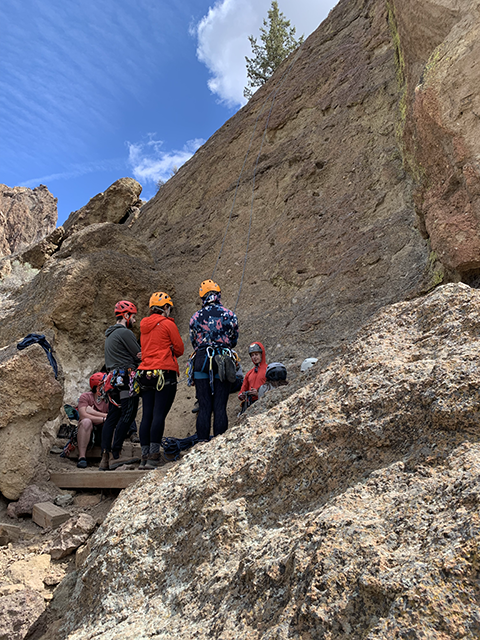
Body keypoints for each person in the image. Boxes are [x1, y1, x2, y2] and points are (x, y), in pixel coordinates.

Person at [136, 292, 184, 468]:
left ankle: (144, 456)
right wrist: (168, 348)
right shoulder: (167, 324)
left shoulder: (143, 326)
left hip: (145, 373)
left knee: (147, 414)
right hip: (164, 372)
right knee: (158, 415)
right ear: (165, 307)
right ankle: (154, 456)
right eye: (169, 308)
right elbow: (179, 348)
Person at [189, 279, 238, 440]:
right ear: (218, 295)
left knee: (204, 405)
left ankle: (202, 443)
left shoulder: (195, 317)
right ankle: (219, 444)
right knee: (220, 405)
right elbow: (234, 339)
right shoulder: (229, 314)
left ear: (202, 297)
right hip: (222, 357)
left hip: (202, 358)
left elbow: (194, 341)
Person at [100, 300, 141, 471]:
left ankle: (105, 456)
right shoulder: (125, 333)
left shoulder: (109, 336)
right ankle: (116, 453)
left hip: (112, 381)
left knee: (112, 416)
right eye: (133, 317)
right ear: (126, 316)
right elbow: (138, 355)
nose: (135, 320)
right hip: (126, 379)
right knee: (129, 413)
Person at [76, 372, 109, 469]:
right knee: (86, 422)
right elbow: (83, 415)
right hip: (88, 431)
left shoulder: (109, 397)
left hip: (103, 431)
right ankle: (82, 457)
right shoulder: (85, 397)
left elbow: (113, 417)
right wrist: (104, 418)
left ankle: (110, 455)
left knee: (111, 424)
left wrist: (93, 412)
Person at [238, 342, 267, 412]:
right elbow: (242, 390)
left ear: (261, 354)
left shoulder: (268, 370)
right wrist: (242, 395)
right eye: (252, 355)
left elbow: (273, 389)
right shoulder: (249, 373)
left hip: (264, 402)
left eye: (256, 354)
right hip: (250, 404)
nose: (254, 357)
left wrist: (258, 393)